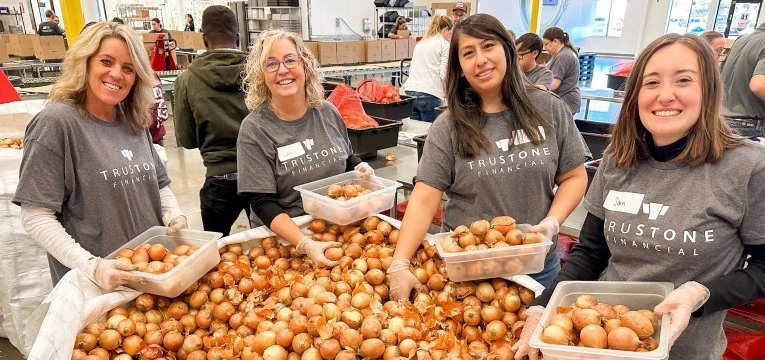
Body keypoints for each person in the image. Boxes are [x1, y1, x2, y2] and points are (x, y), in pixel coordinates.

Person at [513, 33, 765, 360]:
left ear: (709, 89)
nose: (665, 95)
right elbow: (591, 253)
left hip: (684, 352)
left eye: (684, 80)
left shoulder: (747, 168)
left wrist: (701, 294)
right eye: (651, 82)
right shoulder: (619, 160)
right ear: (635, 95)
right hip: (596, 347)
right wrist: (542, 307)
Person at [388, 14, 590, 301]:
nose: (480, 59)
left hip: (536, 268)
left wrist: (553, 223)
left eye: (488, 46)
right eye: (468, 53)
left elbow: (574, 176)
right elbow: (423, 198)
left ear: (508, 50)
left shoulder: (548, 108)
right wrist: (400, 262)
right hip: (468, 275)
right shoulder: (449, 126)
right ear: (458, 68)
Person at [12, 22, 187, 289]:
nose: (117, 74)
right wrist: (92, 266)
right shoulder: (57, 123)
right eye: (107, 61)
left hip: (147, 278)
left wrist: (174, 214)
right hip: (94, 285)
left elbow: (159, 184)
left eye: (128, 68)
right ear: (85, 62)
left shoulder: (133, 120)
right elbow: (35, 215)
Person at [237, 30, 375, 268]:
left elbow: (345, 157)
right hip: (286, 245)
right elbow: (261, 202)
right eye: (271, 64)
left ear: (305, 65)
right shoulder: (254, 130)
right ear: (261, 76)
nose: (283, 70)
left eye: (290, 60)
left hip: (339, 231)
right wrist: (304, 243)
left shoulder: (327, 112)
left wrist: (359, 167)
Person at [174, 5, 251, 236]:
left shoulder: (186, 80)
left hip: (219, 180)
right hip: (262, 177)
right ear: (237, 38)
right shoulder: (259, 73)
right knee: (273, 252)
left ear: (204, 40)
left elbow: (186, 139)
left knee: (215, 254)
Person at [402, 15, 453, 122]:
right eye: (451, 32)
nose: (451, 35)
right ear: (446, 29)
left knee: (414, 133)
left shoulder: (421, 43)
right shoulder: (444, 45)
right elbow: (444, 73)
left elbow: (411, 69)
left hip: (410, 93)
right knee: (429, 135)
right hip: (429, 94)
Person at [721, 22, 765, 139]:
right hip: (750, 128)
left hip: (724, 121)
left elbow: (719, 77)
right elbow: (758, 86)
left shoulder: (741, 39)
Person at [543, 26, 581, 114]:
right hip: (566, 100)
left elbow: (554, 84)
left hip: (565, 100)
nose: (545, 48)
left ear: (555, 41)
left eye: (546, 44)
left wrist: (535, 87)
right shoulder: (564, 53)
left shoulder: (563, 56)